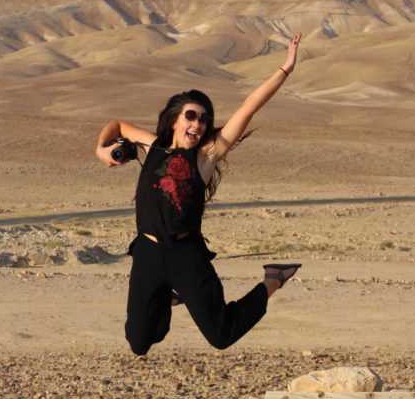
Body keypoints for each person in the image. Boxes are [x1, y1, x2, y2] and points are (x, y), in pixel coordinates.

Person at [96, 33, 303, 355]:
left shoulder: (205, 158)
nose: (199, 123)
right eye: (191, 116)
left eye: (204, 119)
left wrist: (285, 69)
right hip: (148, 254)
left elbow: (249, 108)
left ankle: (274, 278)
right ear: (175, 120)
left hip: (186, 255)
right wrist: (101, 150)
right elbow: (117, 125)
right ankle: (167, 296)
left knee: (221, 335)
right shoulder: (153, 148)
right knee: (139, 342)